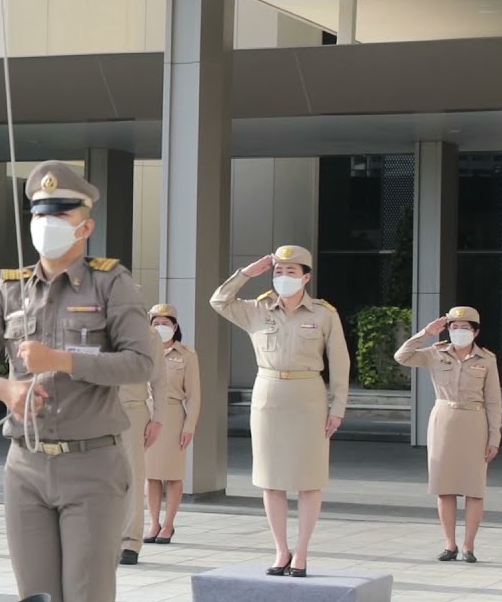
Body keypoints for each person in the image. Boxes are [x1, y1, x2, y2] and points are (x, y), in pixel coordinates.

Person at [0, 160, 154, 602]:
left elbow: (140, 363)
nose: (47, 223)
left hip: (92, 465)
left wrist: (62, 360)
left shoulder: (110, 284)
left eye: (60, 213)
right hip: (26, 466)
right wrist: (4, 390)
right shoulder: (11, 289)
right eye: (40, 212)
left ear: (86, 225)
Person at [210, 245, 349, 578]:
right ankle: (280, 550)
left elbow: (340, 364)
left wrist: (338, 407)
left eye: (291, 272)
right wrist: (247, 274)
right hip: (269, 396)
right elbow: (218, 301)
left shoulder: (323, 313)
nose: (284, 278)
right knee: (271, 480)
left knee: (309, 480)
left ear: (306, 277)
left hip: (309, 397)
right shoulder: (257, 309)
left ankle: (301, 553)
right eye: (278, 271)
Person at [394, 306, 501, 563]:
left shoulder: (486, 359)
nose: (459, 332)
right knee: (445, 487)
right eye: (454, 327)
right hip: (443, 420)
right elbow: (402, 356)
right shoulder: (435, 352)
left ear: (475, 332)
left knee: (474, 489)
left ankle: (469, 546)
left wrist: (494, 438)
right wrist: (426, 333)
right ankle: (450, 544)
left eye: (465, 328)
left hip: (475, 422)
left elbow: (494, 402)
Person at [143, 304, 201, 547]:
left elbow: (194, 395)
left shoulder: (187, 355)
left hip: (174, 416)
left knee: (173, 475)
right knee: (151, 475)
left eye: (165, 323)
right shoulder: (142, 351)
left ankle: (169, 524)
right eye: (156, 323)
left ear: (175, 327)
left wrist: (189, 427)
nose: (161, 327)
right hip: (146, 415)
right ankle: (154, 523)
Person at [118, 327, 164, 565]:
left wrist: (158, 418)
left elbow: (158, 379)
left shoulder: (148, 334)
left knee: (132, 477)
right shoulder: (92, 323)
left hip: (132, 410)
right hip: (93, 409)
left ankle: (129, 542)